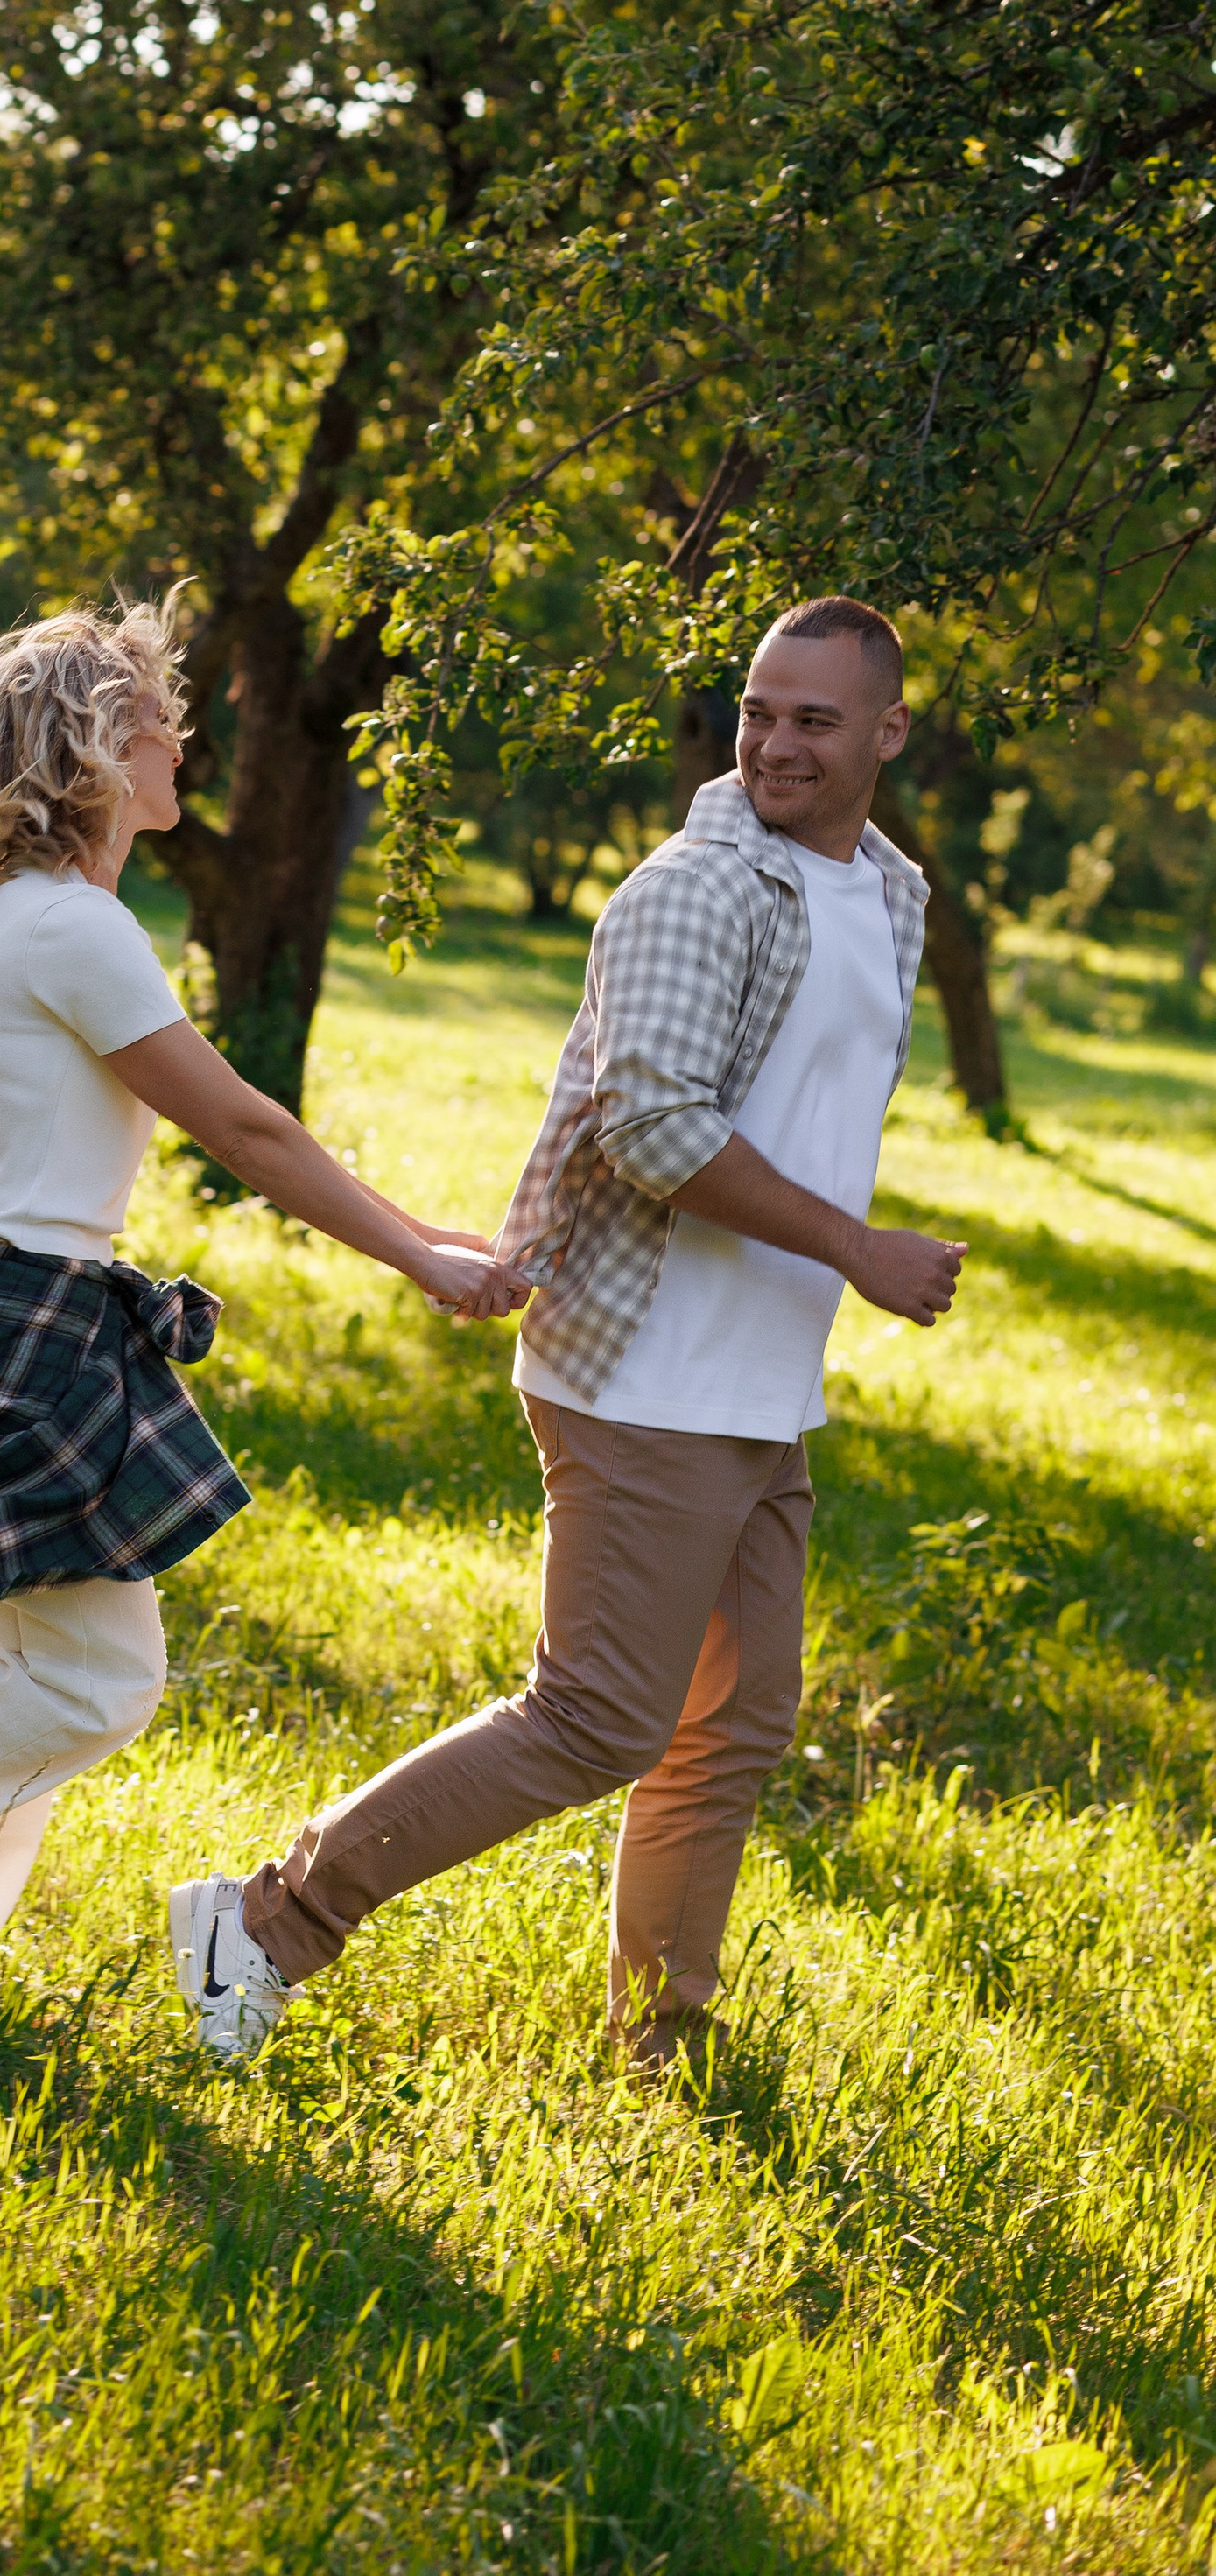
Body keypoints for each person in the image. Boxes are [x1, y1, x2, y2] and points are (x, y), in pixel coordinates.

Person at [0, 601, 524, 2003]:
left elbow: (249, 1134)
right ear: (100, 750)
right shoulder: (74, 928)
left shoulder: (47, 919)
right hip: (20, 1321)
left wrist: (434, 1234)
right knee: (93, 1684)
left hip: (0, 1303)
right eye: (158, 719)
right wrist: (421, 1261)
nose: (183, 738)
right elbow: (248, 1133)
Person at [171, 594, 969, 2063]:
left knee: (728, 1734)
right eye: (757, 708)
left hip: (760, 1385)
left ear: (888, 732)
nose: (775, 742)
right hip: (647, 1367)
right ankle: (267, 1920)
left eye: (814, 718)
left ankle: (660, 2038)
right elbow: (656, 1130)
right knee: (599, 1718)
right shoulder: (697, 888)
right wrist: (857, 1250)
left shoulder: (891, 895)